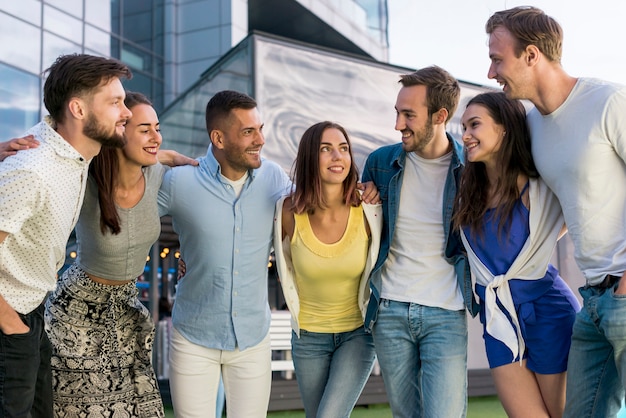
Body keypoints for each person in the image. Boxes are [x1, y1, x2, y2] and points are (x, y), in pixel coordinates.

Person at [486, 7, 626, 417]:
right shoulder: (532, 127)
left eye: (498, 58)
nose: (492, 71)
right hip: (594, 301)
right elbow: (556, 211)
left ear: (531, 55)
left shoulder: (608, 101)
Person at [43, 92, 195, 416]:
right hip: (75, 316)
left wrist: (192, 257)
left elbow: (198, 209)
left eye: (158, 127)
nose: (156, 137)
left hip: (127, 314)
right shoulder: (87, 176)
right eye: (145, 129)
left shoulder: (158, 174)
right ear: (119, 130)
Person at [0, 53, 131, 417]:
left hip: (31, 311)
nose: (127, 112)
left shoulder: (76, 156)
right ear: (77, 109)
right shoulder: (33, 169)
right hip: (8, 320)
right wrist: (13, 327)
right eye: (115, 102)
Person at [157, 90, 292, 417]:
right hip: (193, 338)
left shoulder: (273, 177)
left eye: (260, 129)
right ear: (218, 137)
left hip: (252, 339)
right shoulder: (179, 181)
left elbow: (310, 214)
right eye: (248, 132)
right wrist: (153, 157)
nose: (260, 139)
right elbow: (127, 212)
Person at [361, 65, 478, 418]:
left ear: (440, 116)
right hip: (390, 309)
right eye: (398, 112)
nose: (398, 124)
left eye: (409, 115)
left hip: (446, 311)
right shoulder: (380, 163)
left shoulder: (472, 170)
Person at [454, 91, 580, 417]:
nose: (465, 135)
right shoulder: (467, 190)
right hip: (497, 318)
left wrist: (540, 246)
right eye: (463, 126)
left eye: (475, 125)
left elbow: (579, 215)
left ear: (504, 128)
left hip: (548, 310)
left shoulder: (537, 184)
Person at [273, 121, 382, 417]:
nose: (338, 156)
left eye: (343, 149)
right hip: (307, 338)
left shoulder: (370, 208)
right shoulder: (287, 212)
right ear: (310, 158)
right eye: (326, 149)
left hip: (357, 334)